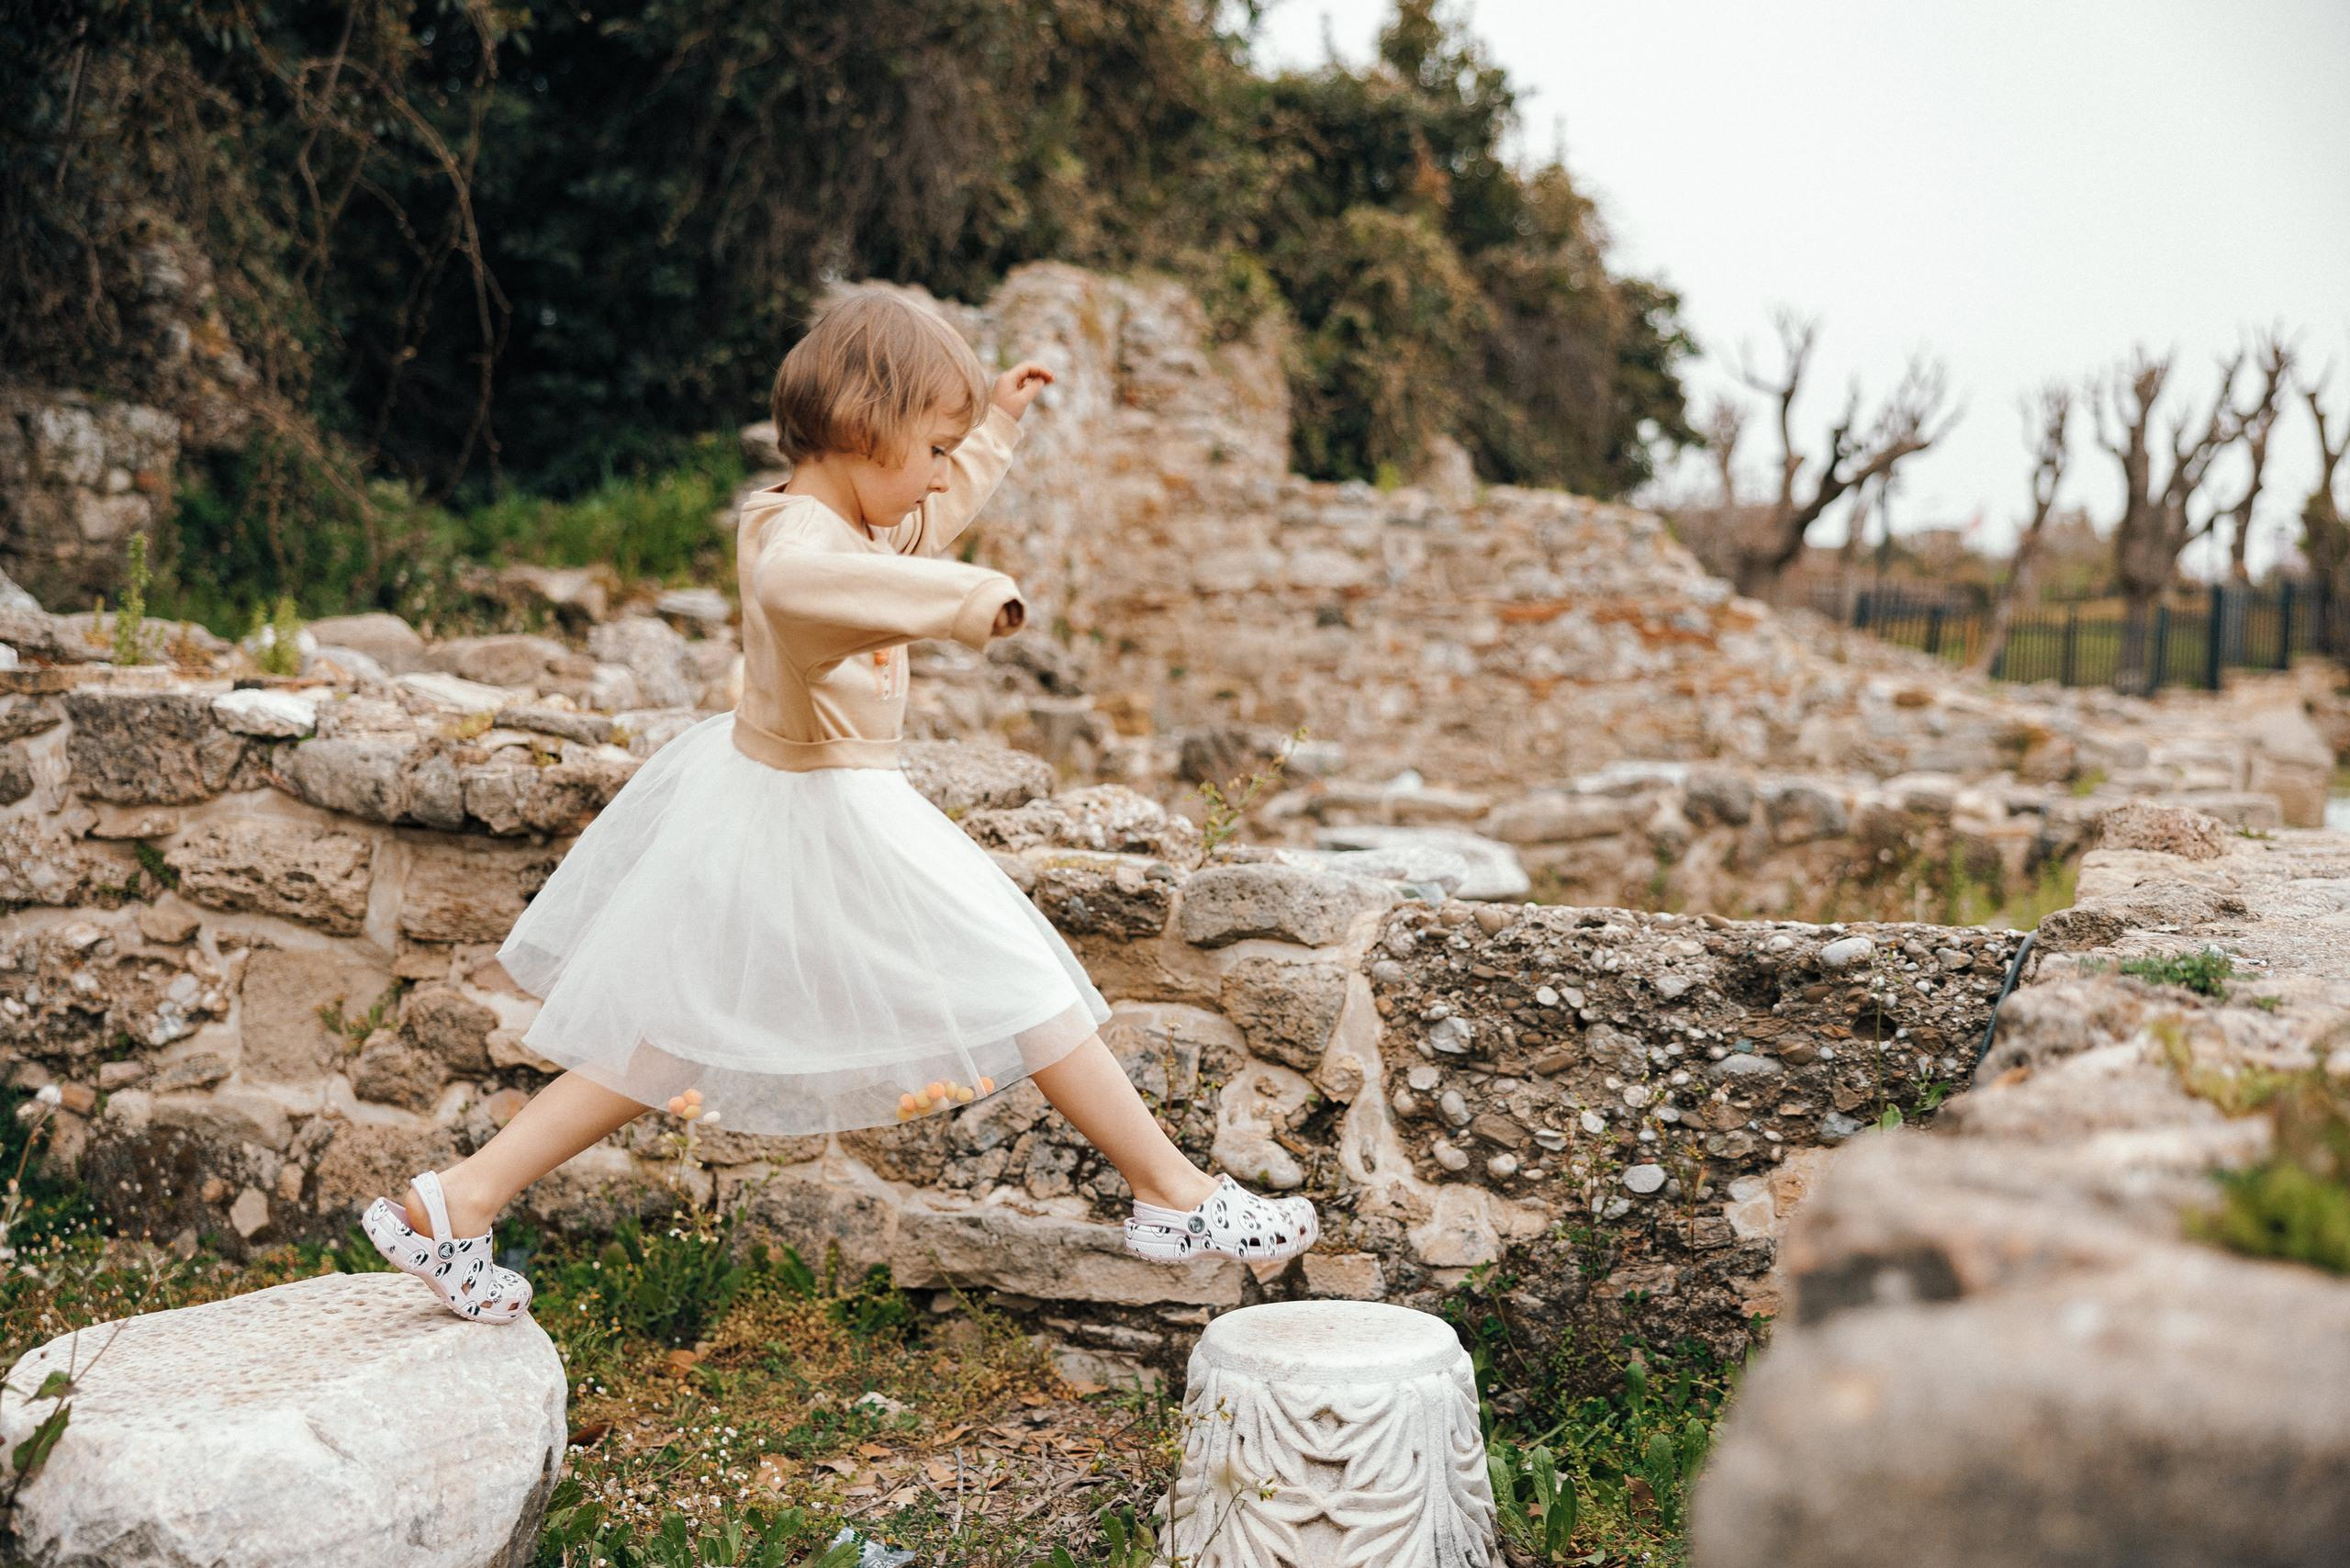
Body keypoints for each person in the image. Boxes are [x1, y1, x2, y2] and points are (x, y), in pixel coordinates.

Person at [361, 289, 1317, 1321]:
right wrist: (964, 599)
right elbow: (803, 586)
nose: (943, 473)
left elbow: (923, 519)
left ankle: (452, 1202)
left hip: (787, 806)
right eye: (935, 445)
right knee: (1021, 973)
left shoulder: (853, 515)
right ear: (867, 431)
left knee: (663, 1040)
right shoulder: (795, 541)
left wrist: (992, 427)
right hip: (817, 809)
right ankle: (1172, 1192)